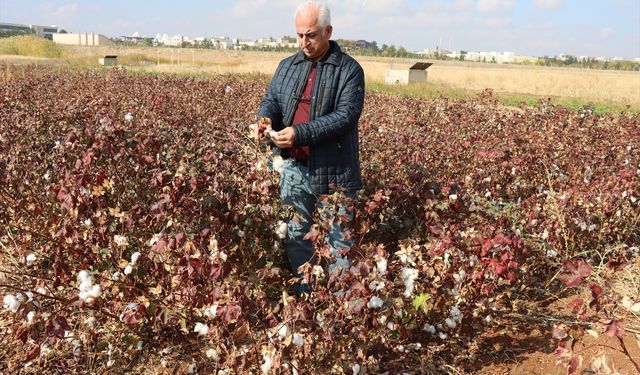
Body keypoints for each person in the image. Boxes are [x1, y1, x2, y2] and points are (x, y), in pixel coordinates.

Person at [256, 0, 365, 295]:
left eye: (311, 35)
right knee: (295, 236)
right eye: (299, 35)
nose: (304, 42)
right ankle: (308, 299)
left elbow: (345, 117)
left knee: (338, 241)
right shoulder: (287, 66)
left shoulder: (349, 70)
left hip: (336, 172)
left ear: (328, 31)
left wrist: (299, 134)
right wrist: (265, 120)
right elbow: (272, 100)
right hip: (294, 168)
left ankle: (341, 309)